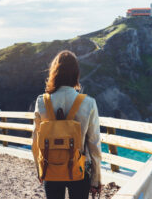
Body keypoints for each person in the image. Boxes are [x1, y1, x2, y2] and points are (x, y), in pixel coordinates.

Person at [32, 50, 102, 199]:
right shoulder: (88, 103)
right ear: (76, 73)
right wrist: (96, 180)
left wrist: (40, 169)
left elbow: (35, 141)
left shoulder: (41, 102)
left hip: (50, 168)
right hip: (80, 170)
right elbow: (94, 145)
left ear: (54, 73)